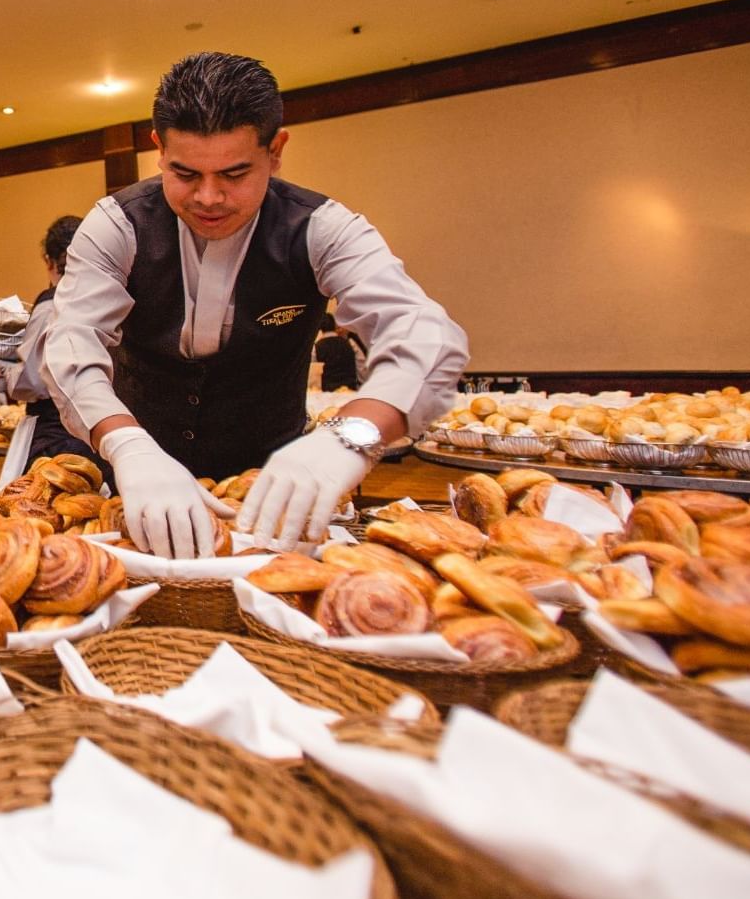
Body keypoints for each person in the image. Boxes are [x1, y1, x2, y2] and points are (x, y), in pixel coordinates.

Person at [44, 51, 467, 558]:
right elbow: (71, 346)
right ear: (158, 149)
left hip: (273, 493)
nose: (208, 197)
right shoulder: (116, 226)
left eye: (234, 173)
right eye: (185, 173)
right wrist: (126, 446)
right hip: (136, 488)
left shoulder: (322, 229)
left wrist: (351, 436)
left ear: (276, 150)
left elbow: (426, 336)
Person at [0, 216, 101, 464]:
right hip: (100, 427)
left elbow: (31, 382)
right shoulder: (104, 298)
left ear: (49, 260)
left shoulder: (50, 305)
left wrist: (6, 369)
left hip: (59, 432)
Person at [314, 314, 360, 391]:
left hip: (326, 393)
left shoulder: (316, 348)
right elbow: (361, 366)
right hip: (349, 389)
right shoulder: (350, 343)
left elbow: (313, 373)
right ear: (335, 326)